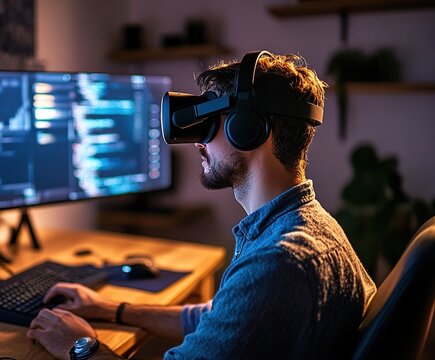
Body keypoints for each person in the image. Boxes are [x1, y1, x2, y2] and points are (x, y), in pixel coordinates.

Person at [26, 52, 377, 360]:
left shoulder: (279, 261)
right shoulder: (307, 226)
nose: (197, 142)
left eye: (210, 124)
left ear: (251, 129)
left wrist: (80, 345)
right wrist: (111, 309)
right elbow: (219, 318)